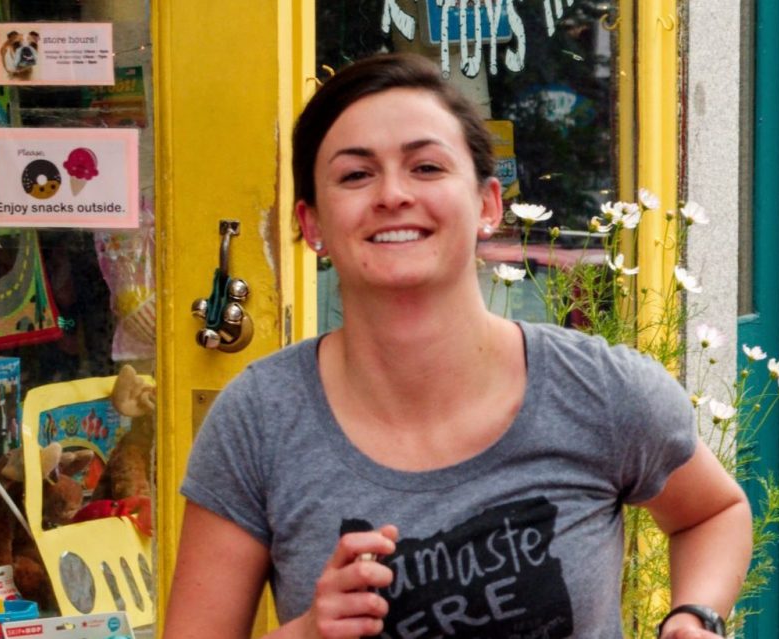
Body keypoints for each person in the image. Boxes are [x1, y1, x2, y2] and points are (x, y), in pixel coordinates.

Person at [162, 54, 749, 639]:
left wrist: (694, 615)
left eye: (426, 167)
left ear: (488, 205)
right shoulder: (260, 418)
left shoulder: (596, 388)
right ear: (311, 225)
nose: (392, 194)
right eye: (356, 175)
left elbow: (714, 512)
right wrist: (309, 632)